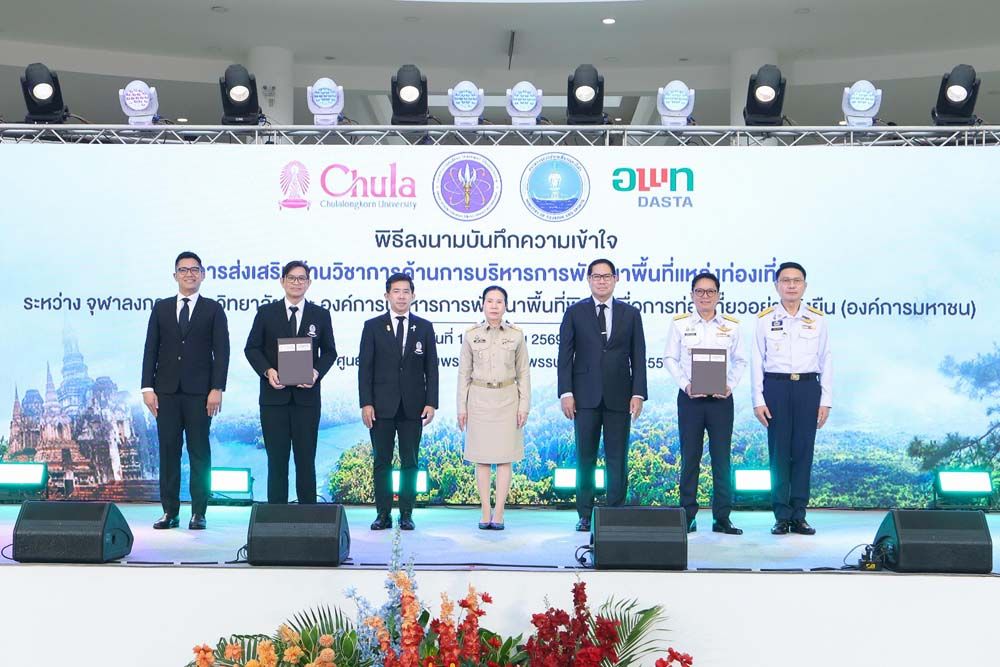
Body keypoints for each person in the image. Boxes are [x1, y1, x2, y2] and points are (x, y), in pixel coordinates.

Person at [557, 258, 648, 532]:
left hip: (620, 396)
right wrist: (566, 392)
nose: (602, 281)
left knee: (617, 458)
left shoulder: (631, 314)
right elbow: (565, 356)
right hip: (584, 397)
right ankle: (585, 514)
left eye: (607, 276)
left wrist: (638, 393)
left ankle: (615, 512)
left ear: (616, 279)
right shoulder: (574, 312)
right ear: (589, 279)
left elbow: (639, 356)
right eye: (596, 276)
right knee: (585, 458)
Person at [141, 251, 229, 530]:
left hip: (200, 394)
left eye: (194, 269)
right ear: (175, 275)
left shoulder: (213, 309)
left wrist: (217, 388)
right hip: (165, 393)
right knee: (169, 452)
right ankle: (170, 512)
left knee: (199, 452)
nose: (189, 274)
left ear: (202, 274)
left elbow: (222, 352)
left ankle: (199, 512)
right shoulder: (161, 308)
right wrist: (147, 387)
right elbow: (150, 349)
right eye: (183, 270)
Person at [244, 261, 337, 504]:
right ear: (282, 281)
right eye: (292, 278)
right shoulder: (266, 313)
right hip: (274, 400)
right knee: (276, 461)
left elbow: (330, 352)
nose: (297, 282)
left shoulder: (320, 314)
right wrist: (267, 371)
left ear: (309, 282)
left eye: (301, 278)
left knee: (306, 460)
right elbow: (252, 348)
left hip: (307, 400)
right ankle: (277, 516)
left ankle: (308, 516)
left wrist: (316, 372)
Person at [752, 261, 832, 535]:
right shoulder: (764, 319)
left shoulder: (818, 319)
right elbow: (756, 360)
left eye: (796, 280)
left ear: (804, 286)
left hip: (808, 388)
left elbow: (826, 359)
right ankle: (781, 515)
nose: (791, 285)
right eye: (785, 280)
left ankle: (799, 514)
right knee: (779, 454)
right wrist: (758, 399)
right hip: (776, 388)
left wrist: (826, 399)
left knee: (803, 452)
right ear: (777, 286)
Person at [664, 272, 747, 535]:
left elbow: (741, 360)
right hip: (690, 399)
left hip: (721, 401)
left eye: (710, 291)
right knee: (690, 457)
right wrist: (685, 384)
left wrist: (729, 385)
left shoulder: (732, 326)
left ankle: (722, 517)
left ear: (718, 295)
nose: (705, 296)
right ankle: (687, 515)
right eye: (699, 291)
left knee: (721, 459)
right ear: (692, 295)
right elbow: (669, 358)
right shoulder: (680, 324)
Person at [359, 273, 439, 531]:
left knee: (410, 462)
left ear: (413, 296)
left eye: (406, 291)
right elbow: (365, 369)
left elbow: (432, 368)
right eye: (396, 291)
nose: (401, 296)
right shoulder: (372, 326)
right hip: (380, 406)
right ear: (387, 295)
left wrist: (431, 402)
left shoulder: (424, 327)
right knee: (382, 462)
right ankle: (382, 514)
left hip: (413, 406)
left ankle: (406, 514)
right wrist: (366, 403)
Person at [457, 286, 530, 530]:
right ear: (483, 305)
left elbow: (523, 373)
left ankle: (499, 513)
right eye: (490, 301)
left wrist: (524, 406)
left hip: (508, 400)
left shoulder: (517, 335)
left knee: (505, 458)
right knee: (482, 459)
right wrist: (461, 407)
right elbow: (463, 374)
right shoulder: (471, 335)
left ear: (505, 306)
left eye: (499, 301)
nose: (494, 306)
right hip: (478, 400)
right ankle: (485, 511)